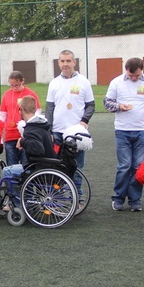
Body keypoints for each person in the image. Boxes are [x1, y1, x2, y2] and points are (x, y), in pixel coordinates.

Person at [103, 58, 144, 212]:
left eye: (137, 75)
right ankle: (118, 198)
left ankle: (135, 200)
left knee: (138, 167)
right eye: (131, 75)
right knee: (124, 166)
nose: (134, 78)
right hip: (122, 130)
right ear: (126, 69)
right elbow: (107, 102)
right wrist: (119, 106)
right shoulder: (116, 82)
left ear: (142, 70)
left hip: (143, 130)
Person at [45, 50, 94, 197]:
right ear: (59, 62)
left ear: (74, 62)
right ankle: (57, 197)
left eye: (68, 61)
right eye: (62, 61)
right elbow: (49, 108)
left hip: (77, 133)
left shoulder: (83, 82)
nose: (65, 64)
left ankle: (77, 197)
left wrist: (84, 121)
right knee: (56, 166)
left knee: (77, 167)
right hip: (58, 132)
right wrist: (49, 131)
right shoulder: (54, 83)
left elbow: (91, 105)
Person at [0, 95, 54, 180]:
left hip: (38, 167)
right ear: (35, 109)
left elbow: (38, 149)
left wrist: (22, 141)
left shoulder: (31, 128)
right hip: (47, 164)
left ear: (21, 109)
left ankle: (15, 194)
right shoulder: (42, 124)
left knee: (6, 171)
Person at [0, 71, 41, 166]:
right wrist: (0, 134)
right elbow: (2, 115)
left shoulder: (31, 94)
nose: (14, 88)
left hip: (25, 135)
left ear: (22, 81)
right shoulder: (7, 94)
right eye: (11, 85)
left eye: (16, 85)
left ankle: (25, 181)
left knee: (25, 164)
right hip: (10, 135)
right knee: (11, 165)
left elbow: (37, 113)